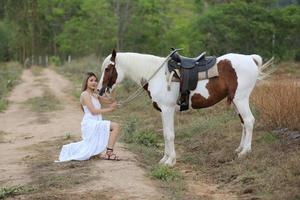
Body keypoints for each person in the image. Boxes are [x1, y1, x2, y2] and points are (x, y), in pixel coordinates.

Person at [57, 72, 120, 162]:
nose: (94, 82)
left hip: (96, 121)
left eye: (95, 81)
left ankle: (107, 153)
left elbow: (111, 101)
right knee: (115, 126)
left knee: (90, 146)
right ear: (86, 82)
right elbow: (93, 111)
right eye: (91, 80)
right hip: (90, 123)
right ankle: (109, 153)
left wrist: (113, 88)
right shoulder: (85, 94)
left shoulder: (95, 95)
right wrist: (110, 110)